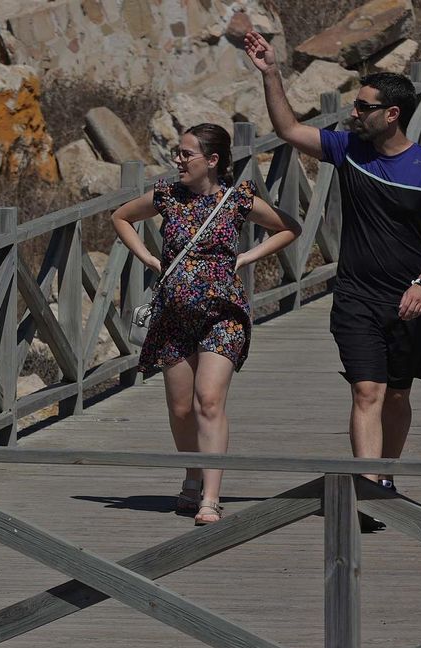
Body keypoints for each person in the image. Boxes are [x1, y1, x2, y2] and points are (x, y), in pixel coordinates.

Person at [244, 31, 421, 508]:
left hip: (410, 300)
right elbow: (288, 130)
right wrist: (271, 72)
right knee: (366, 390)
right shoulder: (347, 151)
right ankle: (370, 488)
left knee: (397, 396)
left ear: (391, 114)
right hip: (356, 297)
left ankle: (386, 475)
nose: (352, 113)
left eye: (362, 107)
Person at [112, 123, 301, 525]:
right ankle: (193, 474)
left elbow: (289, 228)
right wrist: (148, 258)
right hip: (173, 316)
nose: (177, 160)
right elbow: (121, 218)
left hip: (223, 315)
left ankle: (210, 499)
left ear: (211, 161)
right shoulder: (167, 196)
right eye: (178, 153)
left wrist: (248, 257)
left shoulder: (237, 200)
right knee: (181, 409)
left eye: (185, 154)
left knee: (209, 401)